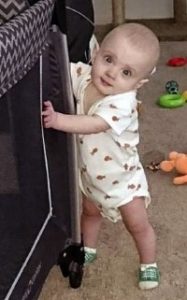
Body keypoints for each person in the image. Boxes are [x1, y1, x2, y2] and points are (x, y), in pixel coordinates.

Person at [42, 23, 160, 290]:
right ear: (95, 53)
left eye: (126, 72)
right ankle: (89, 247)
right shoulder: (86, 76)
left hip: (123, 181)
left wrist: (59, 119)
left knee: (137, 225)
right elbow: (63, 69)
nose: (111, 73)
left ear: (138, 83)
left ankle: (149, 263)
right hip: (91, 176)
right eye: (108, 59)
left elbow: (93, 124)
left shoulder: (123, 103)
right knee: (89, 213)